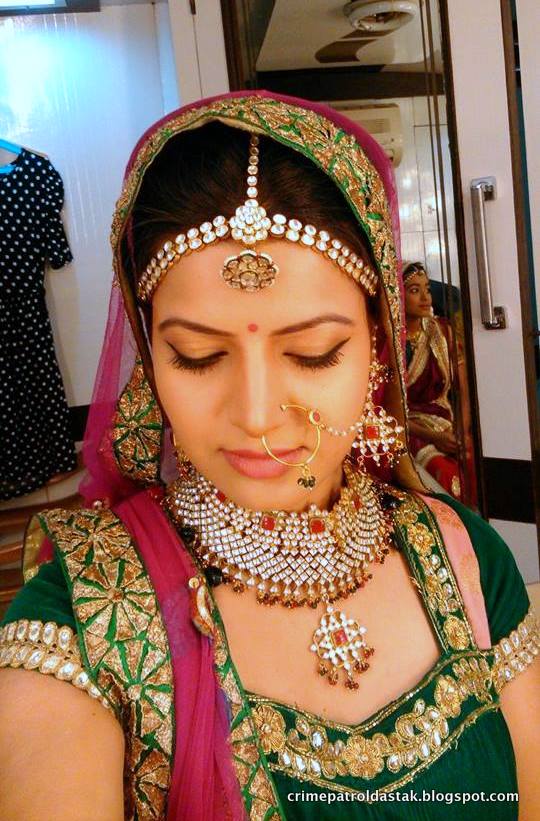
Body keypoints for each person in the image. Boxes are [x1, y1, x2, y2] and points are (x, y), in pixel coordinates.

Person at [0, 92, 538, 821]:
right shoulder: (88, 612)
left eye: (313, 353)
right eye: (197, 356)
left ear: (377, 345)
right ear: (149, 359)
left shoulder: (463, 555)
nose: (256, 416)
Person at [403, 262, 469, 501]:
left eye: (428, 289)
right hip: (408, 428)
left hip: (445, 421)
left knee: (475, 463)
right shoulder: (387, 339)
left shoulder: (441, 331)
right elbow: (387, 412)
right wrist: (435, 438)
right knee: (446, 473)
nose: (425, 298)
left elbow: (464, 390)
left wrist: (461, 431)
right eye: (414, 290)